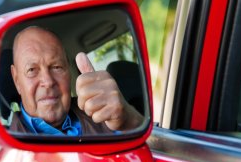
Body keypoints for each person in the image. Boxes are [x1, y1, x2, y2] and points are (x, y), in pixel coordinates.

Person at [9, 26, 143, 135]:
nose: (48, 81)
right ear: (17, 80)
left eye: (56, 67)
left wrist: (129, 119)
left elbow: (152, 147)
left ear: (68, 72)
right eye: (32, 70)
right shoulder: (7, 151)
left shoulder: (101, 113)